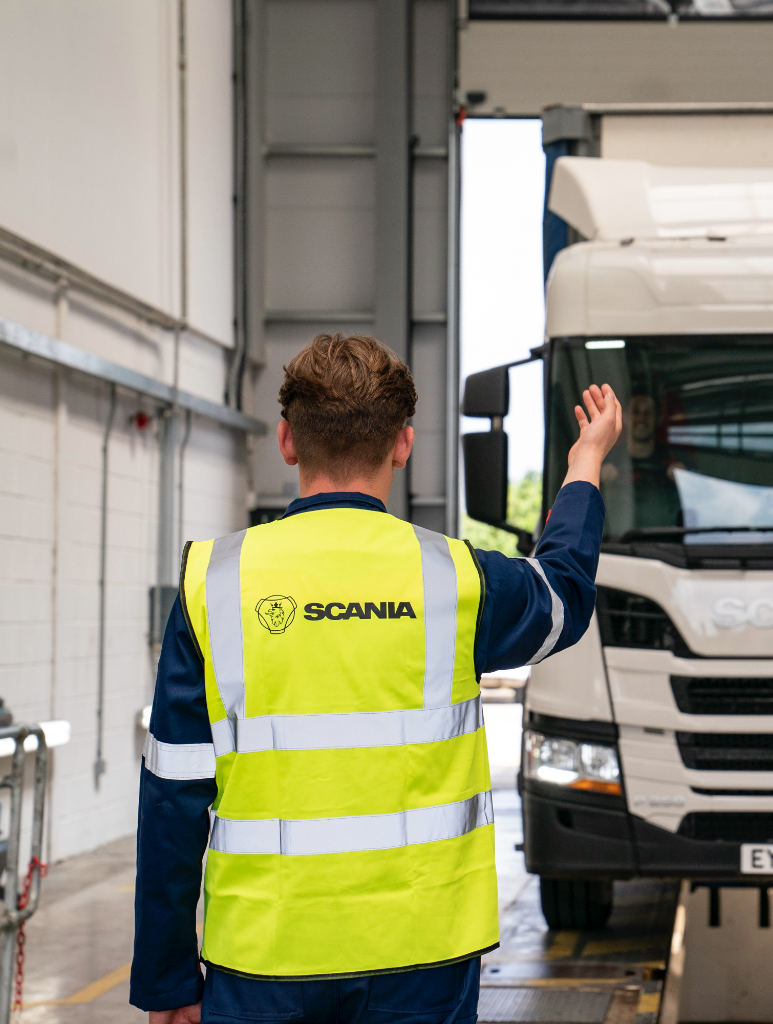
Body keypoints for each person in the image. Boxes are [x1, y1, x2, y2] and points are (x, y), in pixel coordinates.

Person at [130, 334, 622, 1024]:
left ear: (287, 442)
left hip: (265, 958)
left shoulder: (211, 582)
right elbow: (563, 594)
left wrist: (168, 980)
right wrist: (585, 463)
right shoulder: (457, 580)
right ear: (403, 444)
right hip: (424, 954)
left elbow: (172, 799)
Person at [600, 394, 682, 529]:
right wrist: (598, 478)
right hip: (616, 538)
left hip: (665, 536)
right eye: (635, 412)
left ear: (659, 419)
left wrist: (682, 478)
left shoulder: (674, 460)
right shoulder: (605, 460)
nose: (641, 418)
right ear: (625, 417)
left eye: (648, 413)